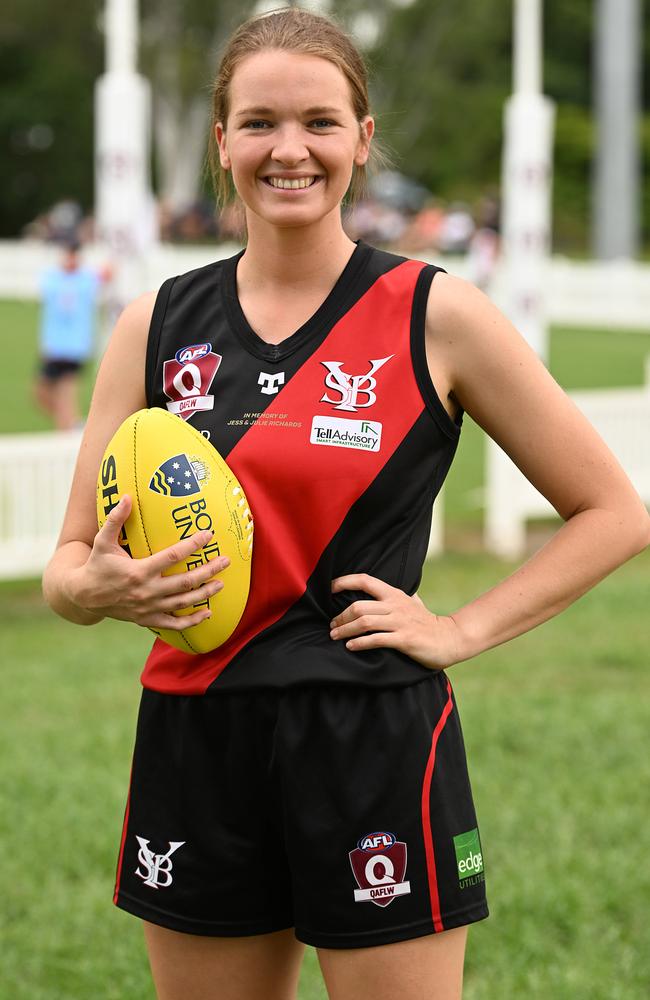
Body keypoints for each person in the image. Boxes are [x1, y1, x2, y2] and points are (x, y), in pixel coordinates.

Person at [42, 8, 650, 1000]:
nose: (290, 150)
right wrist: (97, 586)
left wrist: (459, 626)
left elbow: (612, 510)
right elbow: (67, 566)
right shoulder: (156, 323)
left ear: (361, 141)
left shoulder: (433, 313)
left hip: (369, 732)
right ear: (222, 142)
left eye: (320, 122)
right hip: (196, 735)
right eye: (260, 123)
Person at [34, 240, 109, 430]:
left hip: (75, 347)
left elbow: (108, 272)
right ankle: (73, 425)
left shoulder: (86, 279)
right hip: (54, 346)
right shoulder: (53, 278)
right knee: (41, 394)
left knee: (66, 395)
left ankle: (67, 430)